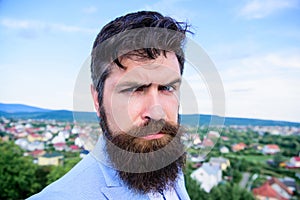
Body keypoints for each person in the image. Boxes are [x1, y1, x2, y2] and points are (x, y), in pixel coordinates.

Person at [28, 11, 191, 200]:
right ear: (97, 100)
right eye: (134, 89)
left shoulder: (167, 167)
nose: (156, 112)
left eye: (167, 87)